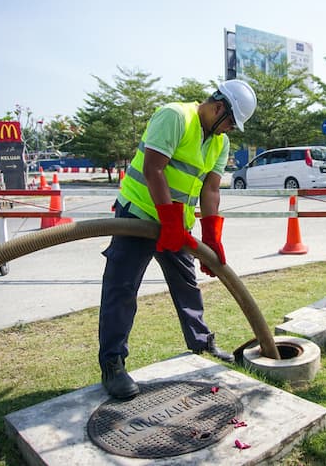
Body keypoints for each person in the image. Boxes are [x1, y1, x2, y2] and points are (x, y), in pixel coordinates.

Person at [98, 79, 257, 399]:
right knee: (122, 287)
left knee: (187, 285)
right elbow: (154, 169)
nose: (228, 130)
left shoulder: (218, 143)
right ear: (218, 106)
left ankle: (201, 343)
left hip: (177, 226)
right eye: (229, 122)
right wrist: (167, 221)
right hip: (137, 216)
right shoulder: (175, 117)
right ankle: (112, 363)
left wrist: (212, 237)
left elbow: (210, 189)